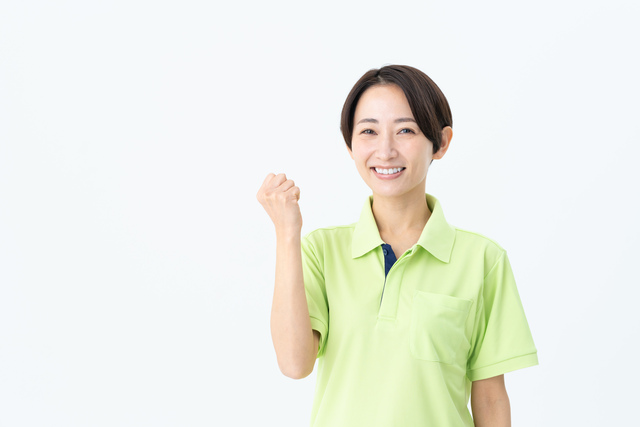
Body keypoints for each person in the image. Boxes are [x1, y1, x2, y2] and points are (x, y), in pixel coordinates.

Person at [256, 65, 538, 427]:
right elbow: (295, 364)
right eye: (369, 131)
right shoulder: (321, 251)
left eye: (405, 130)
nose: (385, 150)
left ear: (441, 142)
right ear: (350, 145)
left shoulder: (483, 260)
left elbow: (491, 397)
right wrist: (287, 232)